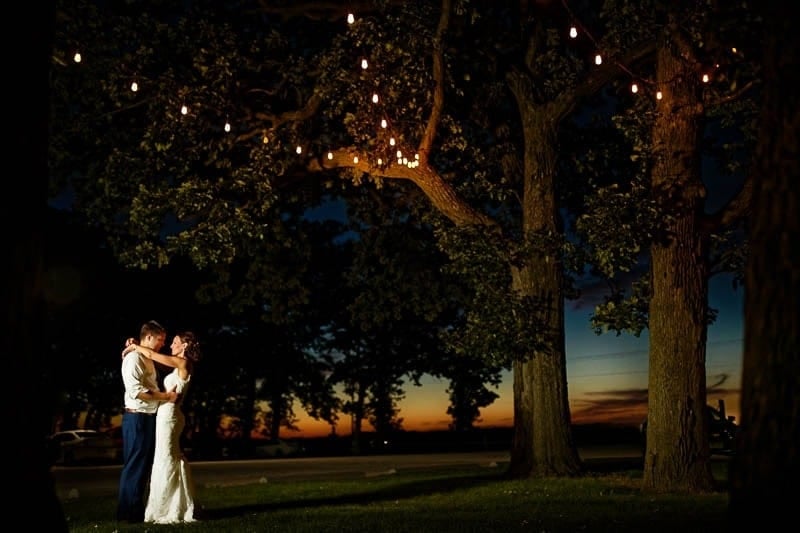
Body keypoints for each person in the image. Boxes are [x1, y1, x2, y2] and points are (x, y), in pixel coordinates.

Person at [122, 330, 202, 524]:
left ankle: (169, 508)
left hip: (170, 417)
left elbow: (150, 354)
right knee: (163, 458)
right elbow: (149, 356)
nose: (170, 345)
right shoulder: (175, 364)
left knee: (166, 458)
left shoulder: (183, 363)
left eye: (174, 342)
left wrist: (133, 346)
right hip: (165, 415)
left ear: (184, 346)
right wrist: (136, 344)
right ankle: (163, 506)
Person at [116, 320, 179, 523]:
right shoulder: (133, 358)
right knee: (134, 465)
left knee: (142, 466)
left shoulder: (146, 356)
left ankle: (135, 510)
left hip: (147, 418)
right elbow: (137, 392)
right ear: (149, 337)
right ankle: (127, 515)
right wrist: (165, 397)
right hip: (137, 417)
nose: (162, 343)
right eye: (160, 339)